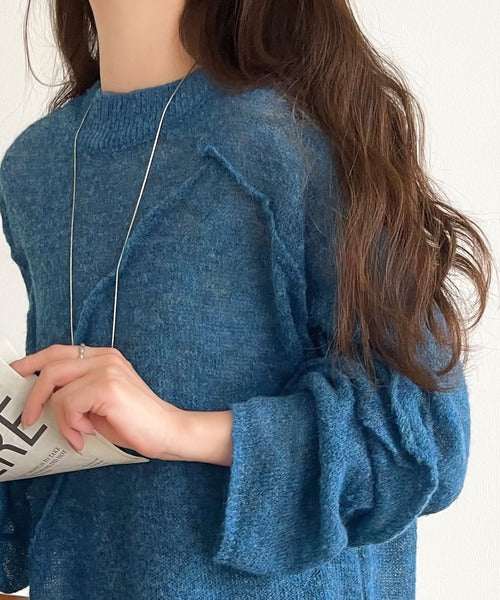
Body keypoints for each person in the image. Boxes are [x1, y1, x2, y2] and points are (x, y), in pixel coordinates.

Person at [0, 0, 492, 599]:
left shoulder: (288, 142)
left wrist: (179, 430)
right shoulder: (34, 168)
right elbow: (48, 472)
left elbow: (426, 434)